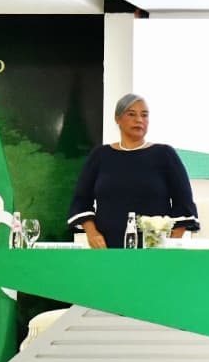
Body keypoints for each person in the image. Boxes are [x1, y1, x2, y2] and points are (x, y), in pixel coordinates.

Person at [68, 94, 199, 248]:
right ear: (117, 119)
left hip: (154, 251)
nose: (139, 120)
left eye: (144, 115)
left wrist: (169, 245)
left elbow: (184, 204)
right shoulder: (100, 155)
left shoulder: (165, 155)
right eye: (131, 114)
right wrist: (92, 234)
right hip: (107, 251)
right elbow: (81, 201)